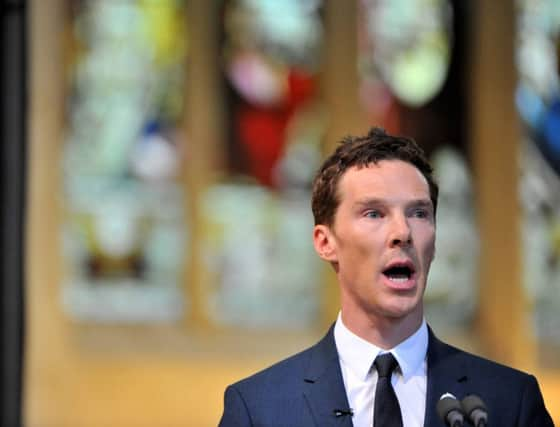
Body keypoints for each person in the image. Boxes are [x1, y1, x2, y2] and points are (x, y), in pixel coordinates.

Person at [218, 127, 554, 427]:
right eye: (374, 213)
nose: (402, 232)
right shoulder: (259, 410)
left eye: (419, 213)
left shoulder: (509, 404)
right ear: (325, 242)